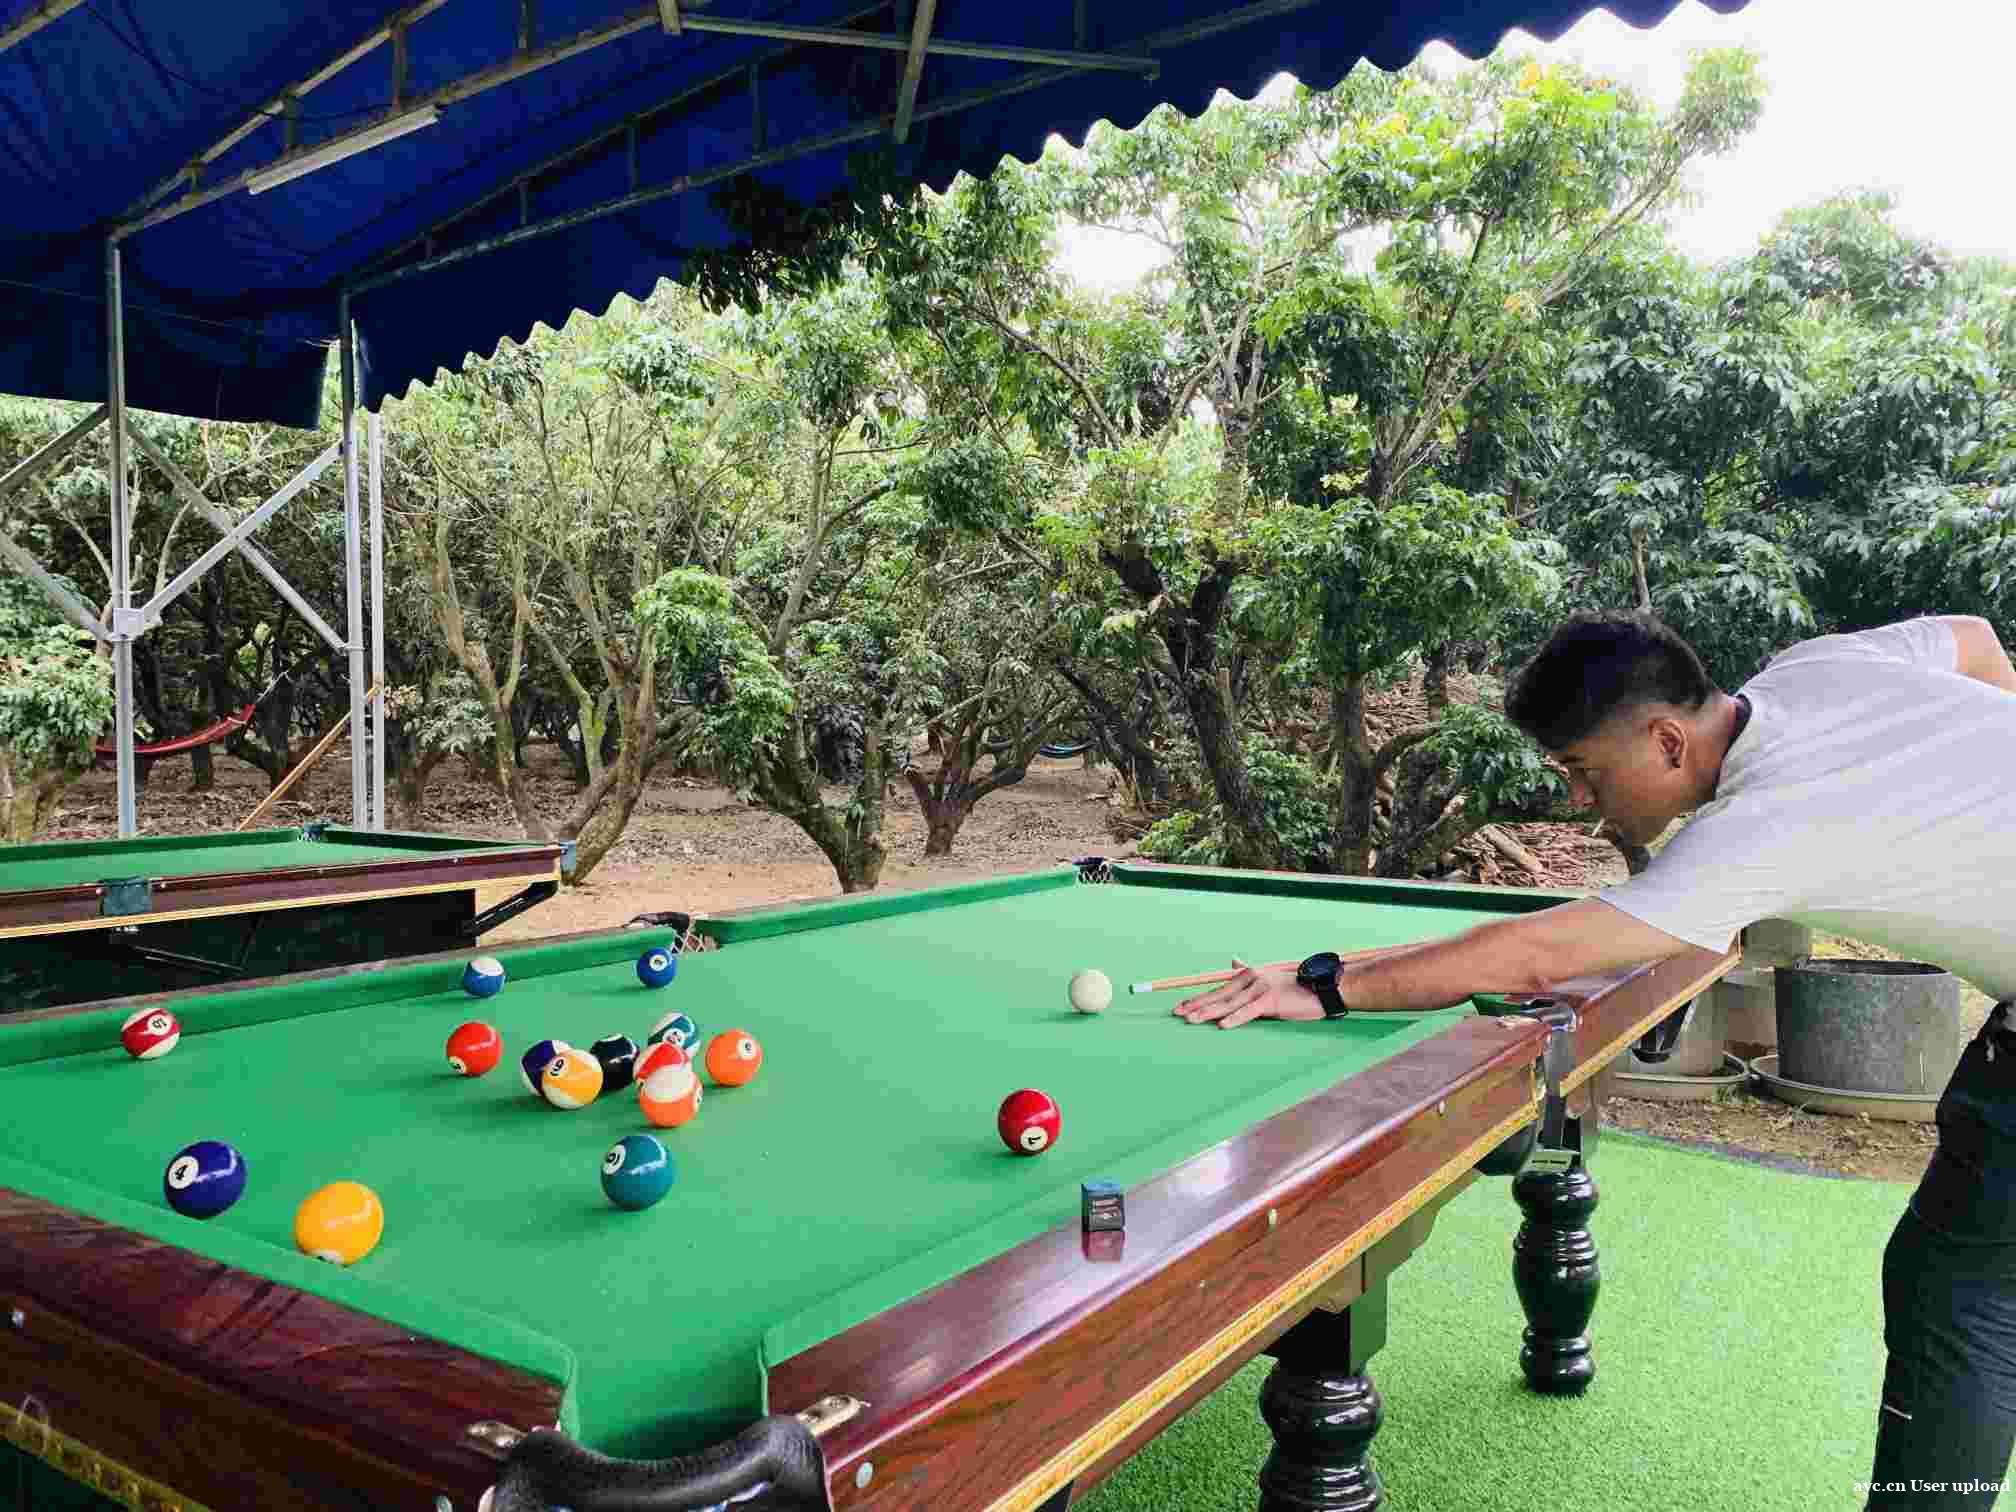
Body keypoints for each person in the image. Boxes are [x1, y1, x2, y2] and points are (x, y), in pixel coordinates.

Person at [1176, 609, 2016, 1508]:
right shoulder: (1815, 671)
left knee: (1958, 1304)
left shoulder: (1763, 821)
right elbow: (1972, 638)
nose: (1580, 800)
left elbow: (1542, 955)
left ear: (1666, 741)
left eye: (1584, 770)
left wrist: (1328, 985)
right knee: (1961, 1284)